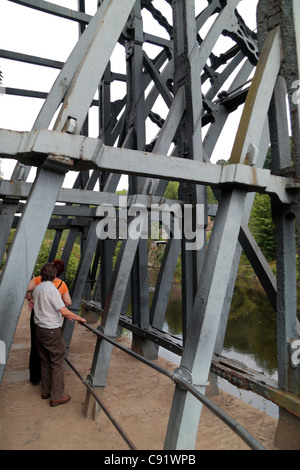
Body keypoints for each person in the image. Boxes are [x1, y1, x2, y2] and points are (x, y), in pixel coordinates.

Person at [29, 263, 86, 407]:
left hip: (39, 329)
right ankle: (57, 396)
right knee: (57, 362)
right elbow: (64, 311)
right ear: (55, 275)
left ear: (42, 275)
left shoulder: (37, 288)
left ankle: (45, 391)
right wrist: (79, 318)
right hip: (51, 330)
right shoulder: (52, 289)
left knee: (45, 361)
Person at [26, 260, 71, 385]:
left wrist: (31, 299)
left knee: (35, 346)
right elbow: (68, 302)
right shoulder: (62, 284)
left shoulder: (39, 280)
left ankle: (35, 378)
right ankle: (50, 380)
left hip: (37, 316)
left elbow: (24, 287)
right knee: (53, 352)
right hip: (51, 320)